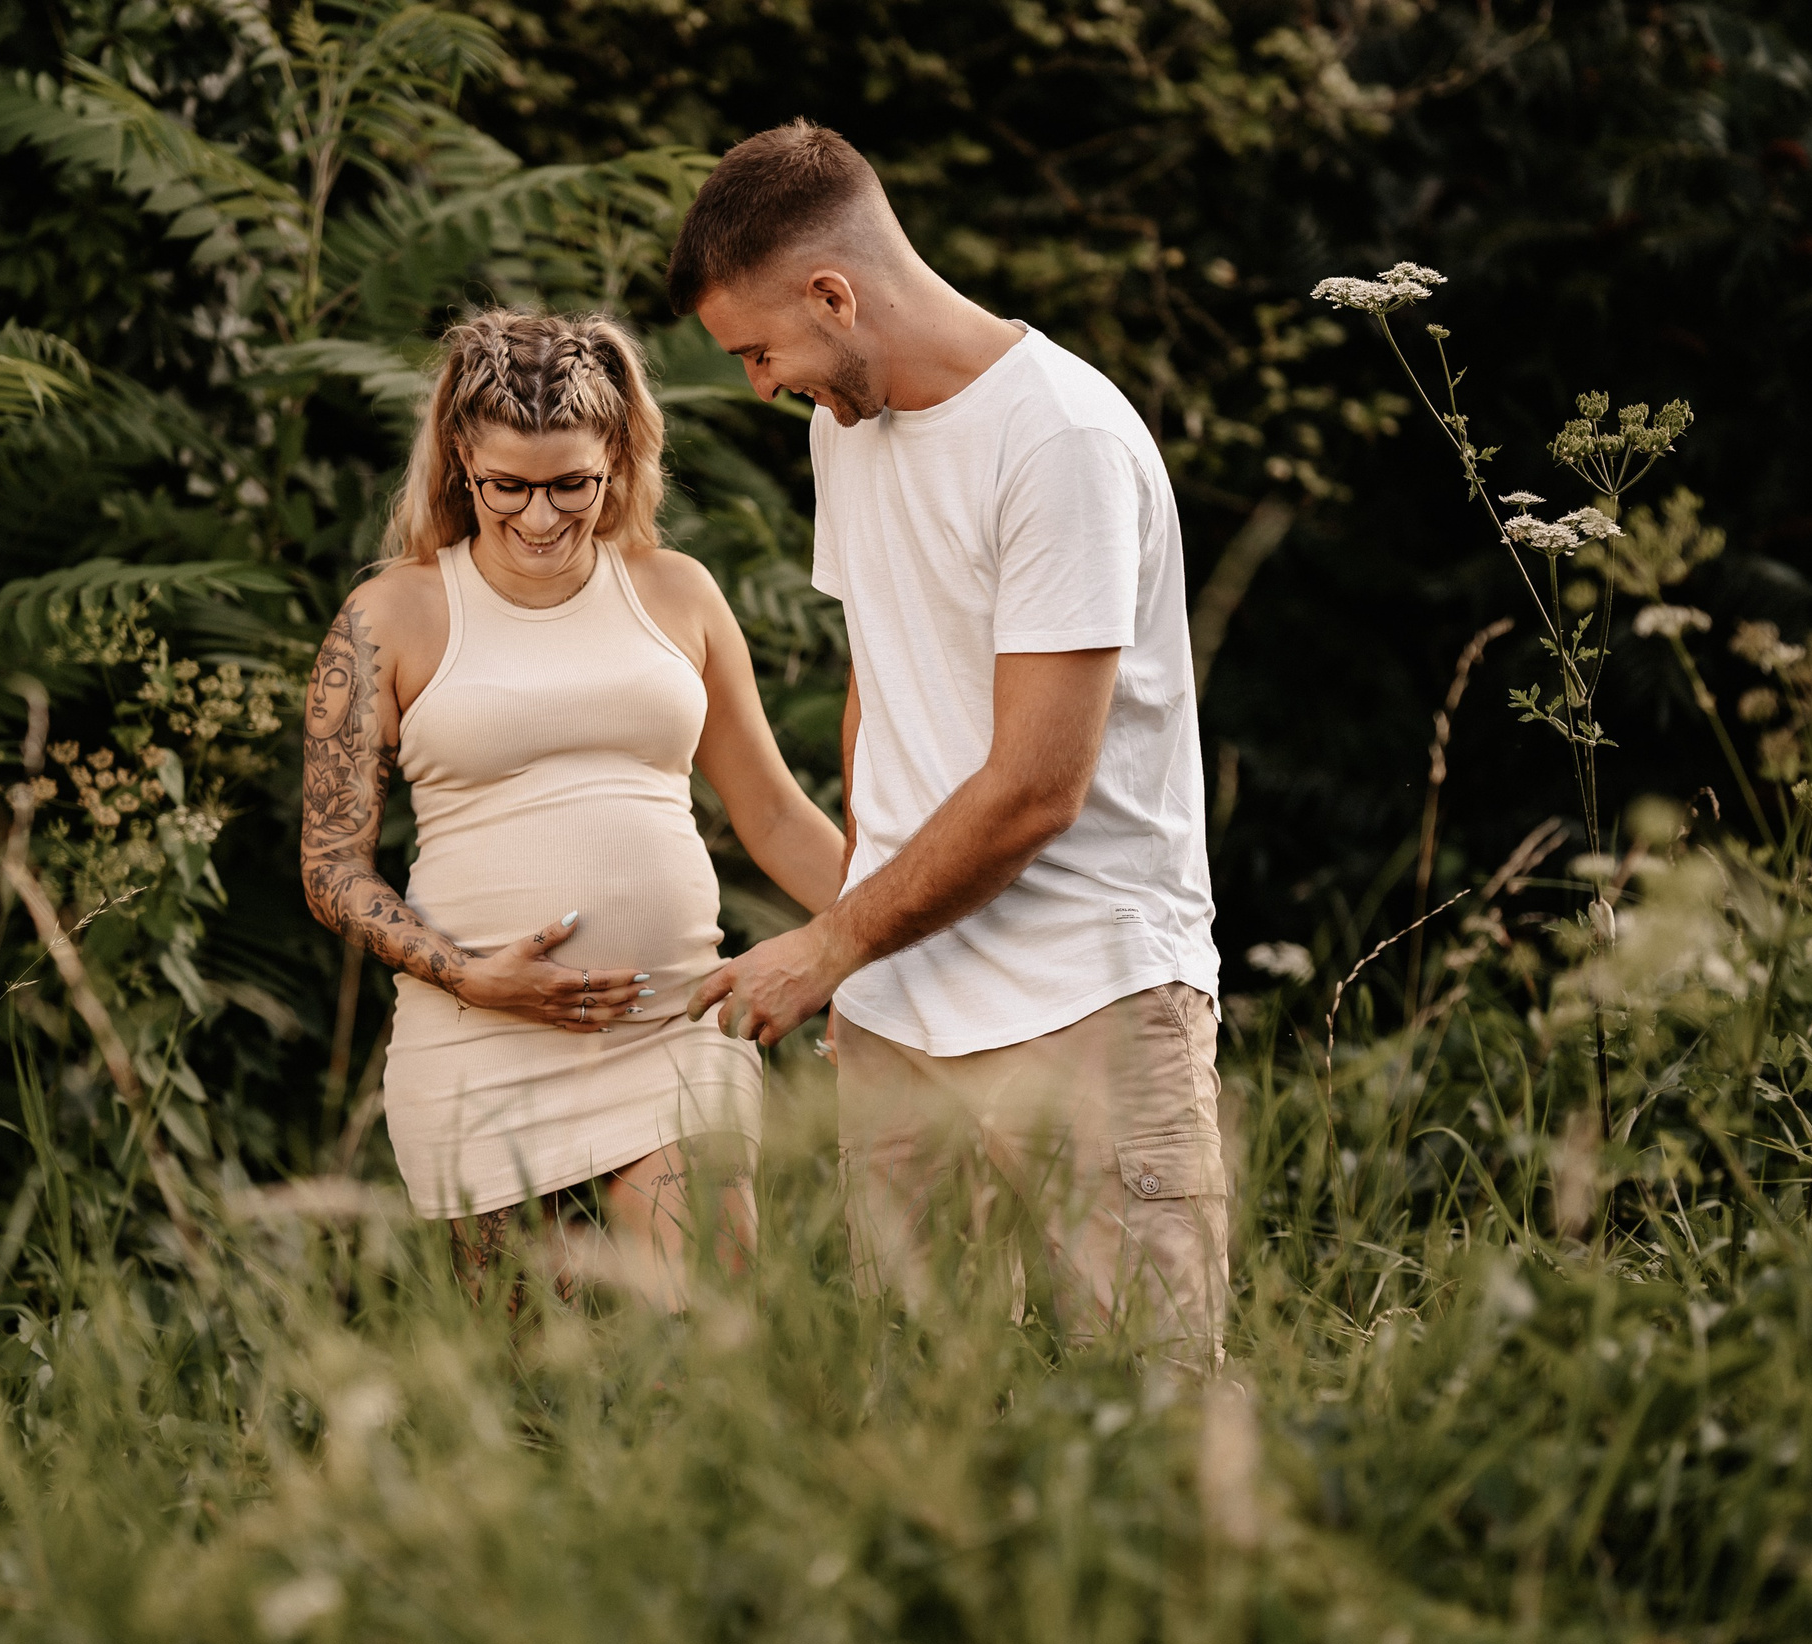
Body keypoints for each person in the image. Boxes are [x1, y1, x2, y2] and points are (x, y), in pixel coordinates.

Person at [667, 121, 1227, 1354]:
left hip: (1088, 995)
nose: (759, 385)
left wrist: (827, 944)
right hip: (902, 1006)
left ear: (833, 292)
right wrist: (866, 952)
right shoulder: (845, 427)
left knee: (1147, 1402)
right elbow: (881, 684)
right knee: (920, 1419)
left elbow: (1036, 786)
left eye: (759, 350)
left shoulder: (1059, 441)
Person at [299, 308, 846, 1303]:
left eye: (572, 486)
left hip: (671, 1023)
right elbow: (331, 867)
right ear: (460, 460)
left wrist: (874, 940)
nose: (542, 518)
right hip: (477, 1039)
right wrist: (469, 976)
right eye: (508, 486)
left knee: (709, 1334)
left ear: (618, 457)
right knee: (517, 1390)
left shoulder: (676, 593)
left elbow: (771, 815)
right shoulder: (390, 616)